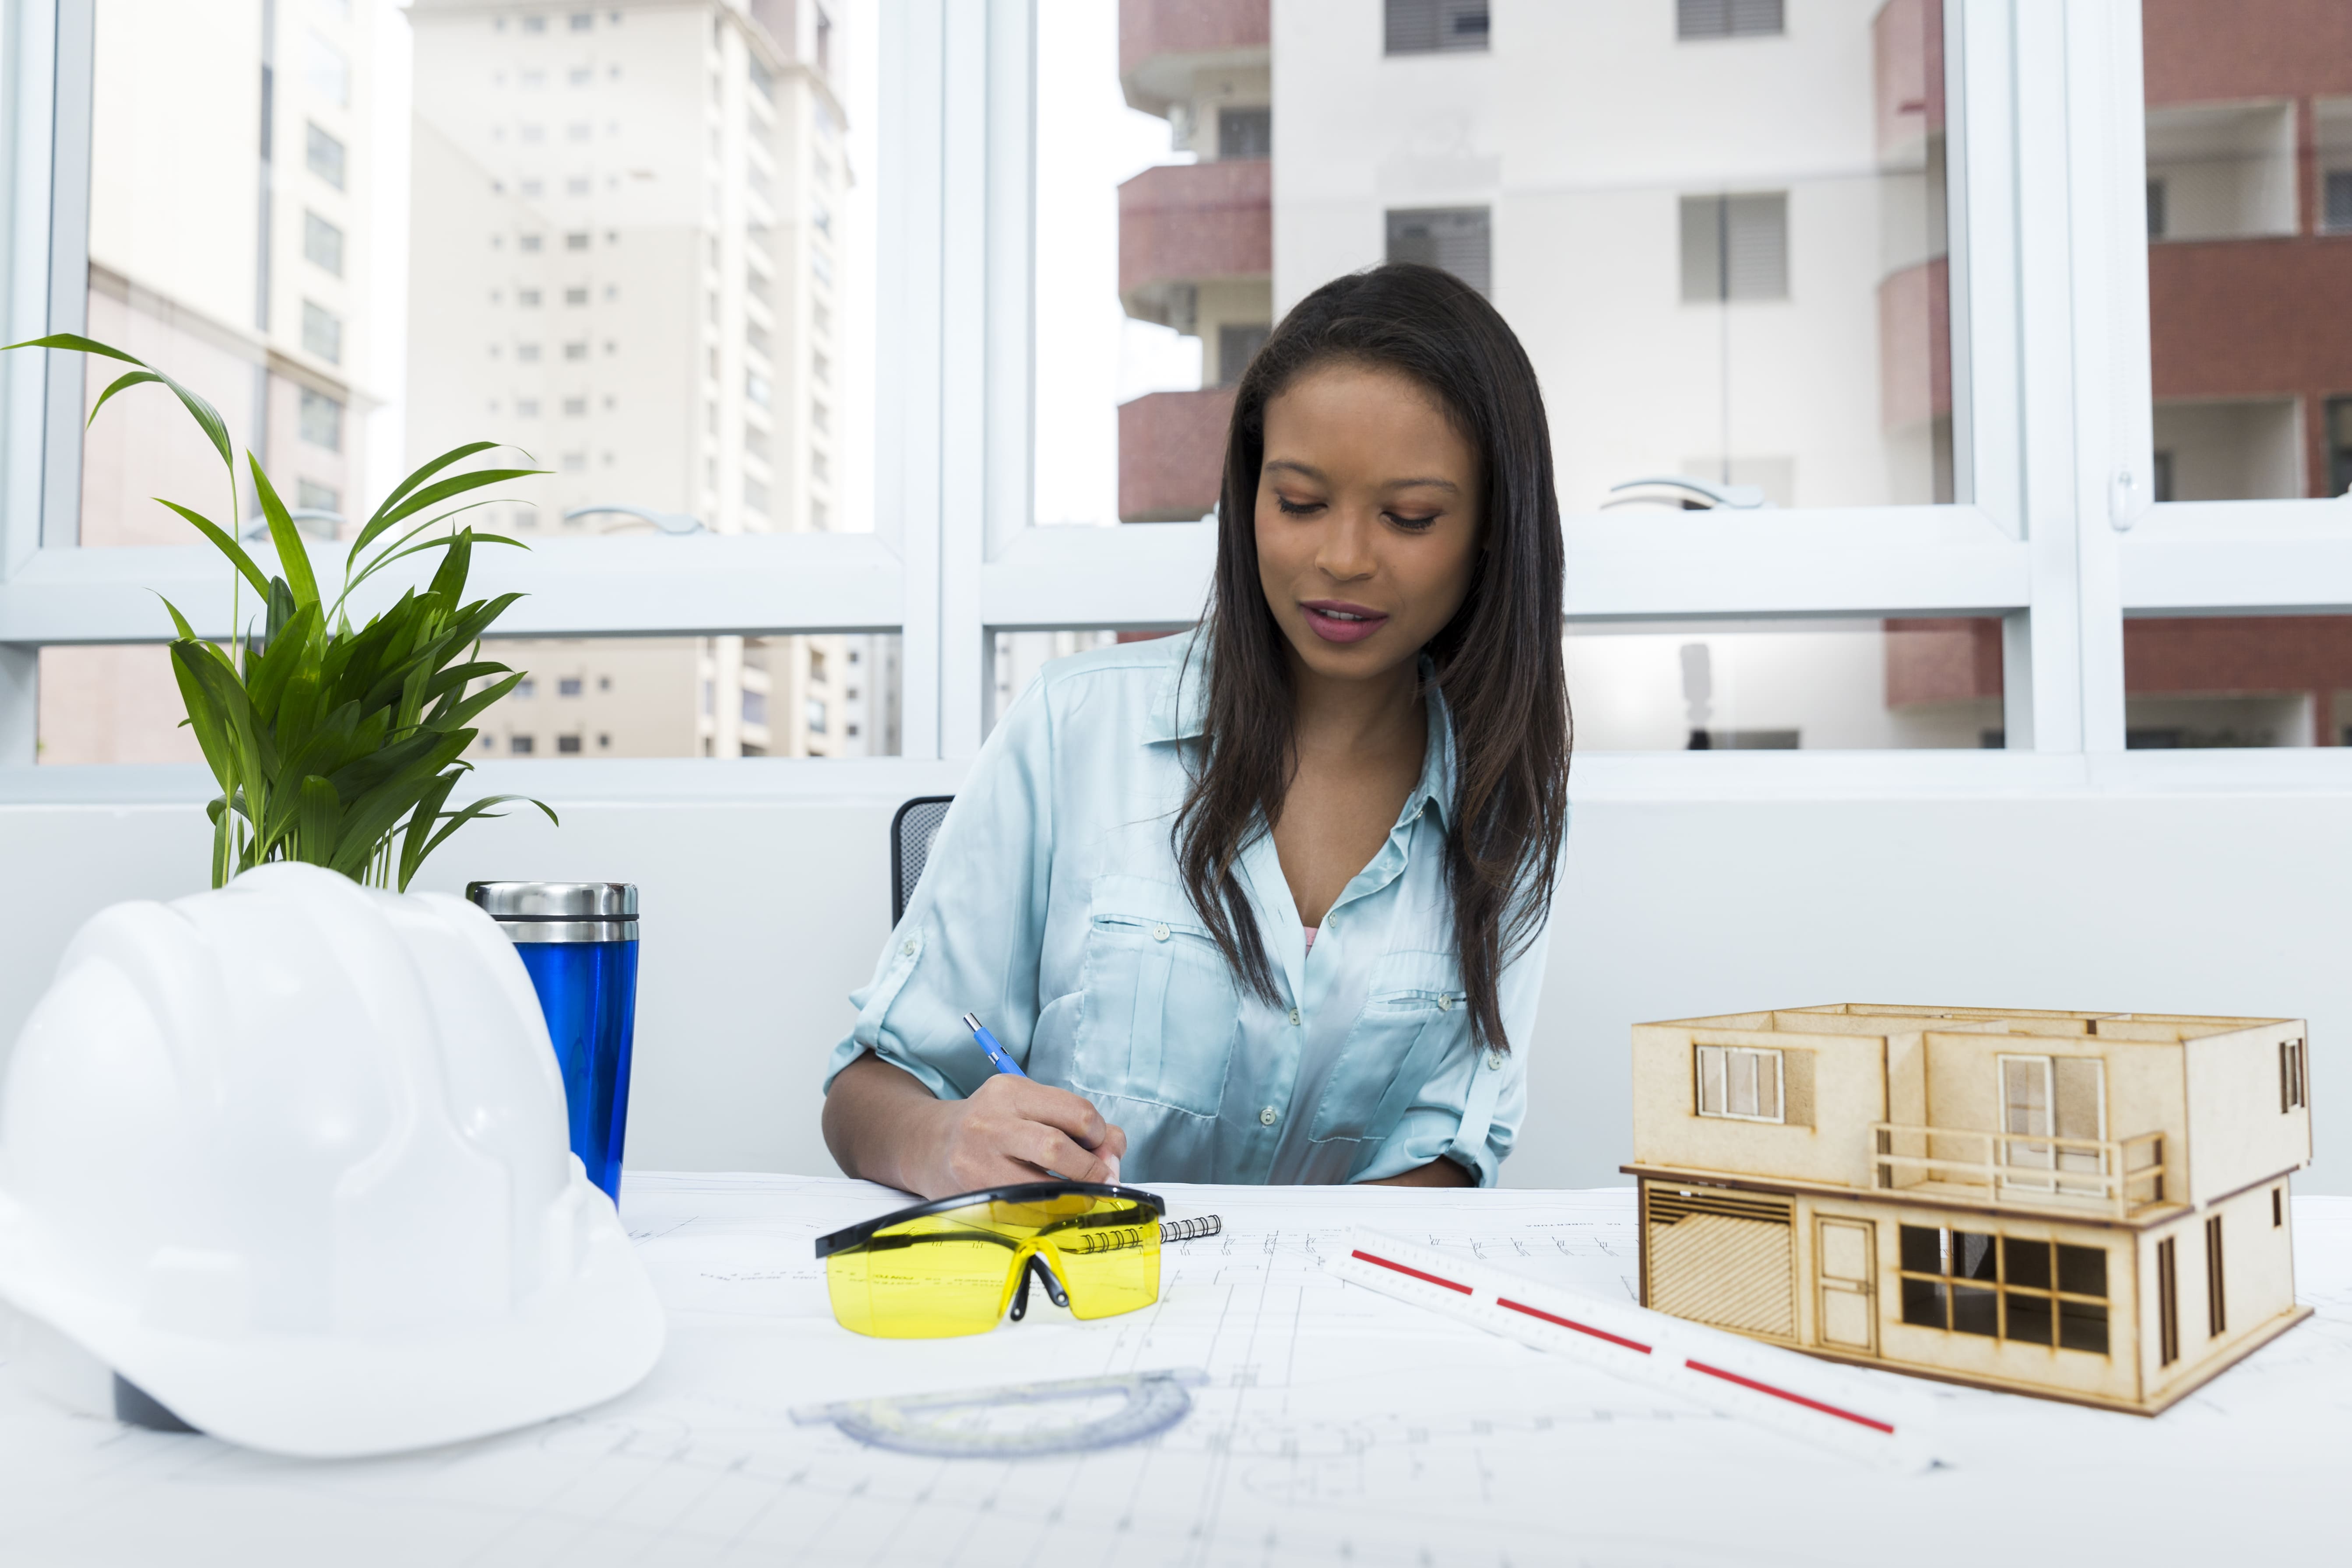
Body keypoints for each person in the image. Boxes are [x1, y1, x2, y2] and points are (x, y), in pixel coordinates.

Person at [822, 263, 1569, 1199]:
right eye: (1297, 503)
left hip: (1336, 1328)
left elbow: (1456, 1152)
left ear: (1494, 528)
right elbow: (861, 1092)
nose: (1341, 558)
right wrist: (942, 1140)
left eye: (1408, 517)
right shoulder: (1076, 728)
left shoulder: (1508, 804)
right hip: (1069, 1308)